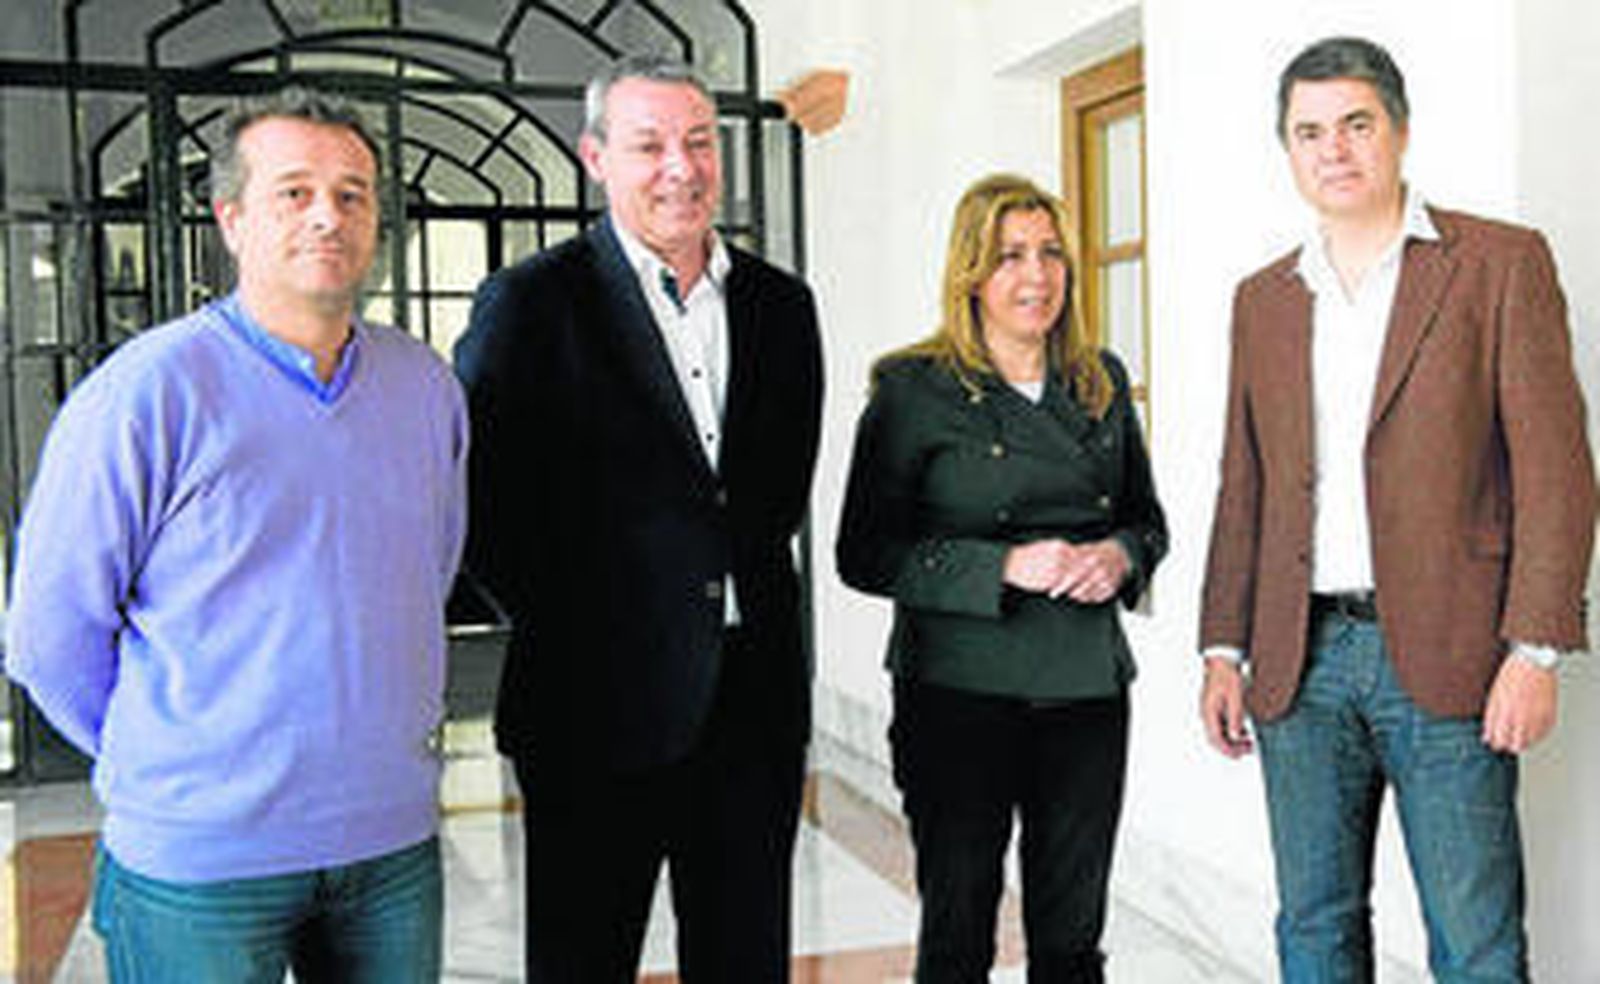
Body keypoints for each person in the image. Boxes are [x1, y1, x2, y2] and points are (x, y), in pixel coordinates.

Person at [3, 88, 467, 982]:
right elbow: (47, 638)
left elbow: (427, 567)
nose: (328, 216)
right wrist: (186, 765)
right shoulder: (144, 394)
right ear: (231, 218)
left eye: (353, 193)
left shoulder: (425, 386)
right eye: (293, 192)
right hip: (202, 866)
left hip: (390, 846)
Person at [1198, 36, 1595, 981]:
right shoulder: (1264, 299)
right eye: (1309, 132)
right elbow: (1243, 482)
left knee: (1478, 945)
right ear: (1288, 152)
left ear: (1400, 132)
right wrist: (1224, 647)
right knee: (1315, 931)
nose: (1334, 149)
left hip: (1455, 661)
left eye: (1355, 124)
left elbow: (1558, 470)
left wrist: (1534, 648)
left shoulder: (1498, 263)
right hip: (1298, 663)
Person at [453, 54, 823, 981]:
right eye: (649, 144)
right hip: (593, 707)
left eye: (698, 143)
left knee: (745, 958)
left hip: (751, 703)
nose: (680, 167)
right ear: (596, 158)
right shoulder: (532, 304)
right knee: (584, 958)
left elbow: (774, 495)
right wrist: (589, 628)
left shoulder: (783, 307)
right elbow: (482, 508)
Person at [836, 173, 1168, 983]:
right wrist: (1003, 565)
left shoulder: (1100, 379)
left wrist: (1119, 556)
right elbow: (864, 552)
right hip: (958, 692)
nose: (1036, 275)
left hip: (1085, 690)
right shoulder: (912, 389)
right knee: (958, 927)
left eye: (1051, 253)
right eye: (1011, 255)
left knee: (1071, 934)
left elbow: (1146, 519)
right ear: (971, 274)